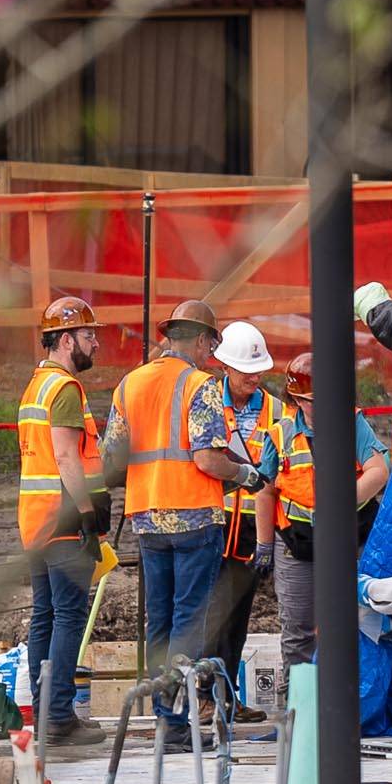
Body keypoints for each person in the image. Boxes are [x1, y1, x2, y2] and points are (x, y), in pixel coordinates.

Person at [101, 298, 262, 725]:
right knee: (190, 619)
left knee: (161, 617)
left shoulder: (129, 383)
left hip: (147, 517)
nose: (212, 353)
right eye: (212, 343)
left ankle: (162, 713)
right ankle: (175, 716)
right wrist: (245, 474)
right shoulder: (200, 385)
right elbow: (208, 460)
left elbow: (111, 460)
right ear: (200, 340)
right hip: (194, 515)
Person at [19, 297, 107, 744]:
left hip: (35, 521)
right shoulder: (65, 389)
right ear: (67, 339)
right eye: (89, 336)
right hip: (63, 518)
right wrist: (88, 514)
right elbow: (67, 455)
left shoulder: (36, 385)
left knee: (45, 616)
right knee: (68, 615)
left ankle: (44, 711)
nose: (95, 344)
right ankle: (58, 716)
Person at [270, 351, 391, 667]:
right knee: (298, 631)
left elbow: (378, 470)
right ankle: (302, 710)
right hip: (299, 543)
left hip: (350, 536)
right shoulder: (280, 433)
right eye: (311, 400)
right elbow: (264, 489)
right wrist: (262, 544)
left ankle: (356, 703)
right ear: (296, 399)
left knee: (360, 620)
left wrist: (340, 502)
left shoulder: (350, 422)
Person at [206, 321, 286, 711]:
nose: (254, 378)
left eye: (259, 371)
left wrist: (268, 540)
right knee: (207, 615)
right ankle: (203, 697)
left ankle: (225, 697)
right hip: (212, 523)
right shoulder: (206, 403)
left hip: (253, 527)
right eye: (245, 371)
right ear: (225, 367)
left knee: (237, 617)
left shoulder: (276, 410)